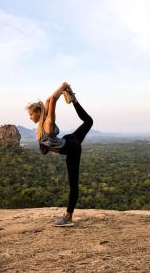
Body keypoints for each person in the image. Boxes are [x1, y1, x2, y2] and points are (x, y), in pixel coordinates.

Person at [26, 82, 93, 227]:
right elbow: (50, 99)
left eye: (31, 114)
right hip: (69, 140)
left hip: (72, 148)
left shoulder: (48, 123)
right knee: (89, 121)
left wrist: (63, 87)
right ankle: (74, 100)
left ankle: (68, 217)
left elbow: (53, 100)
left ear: (38, 112)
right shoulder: (41, 122)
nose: (30, 118)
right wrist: (62, 90)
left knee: (73, 185)